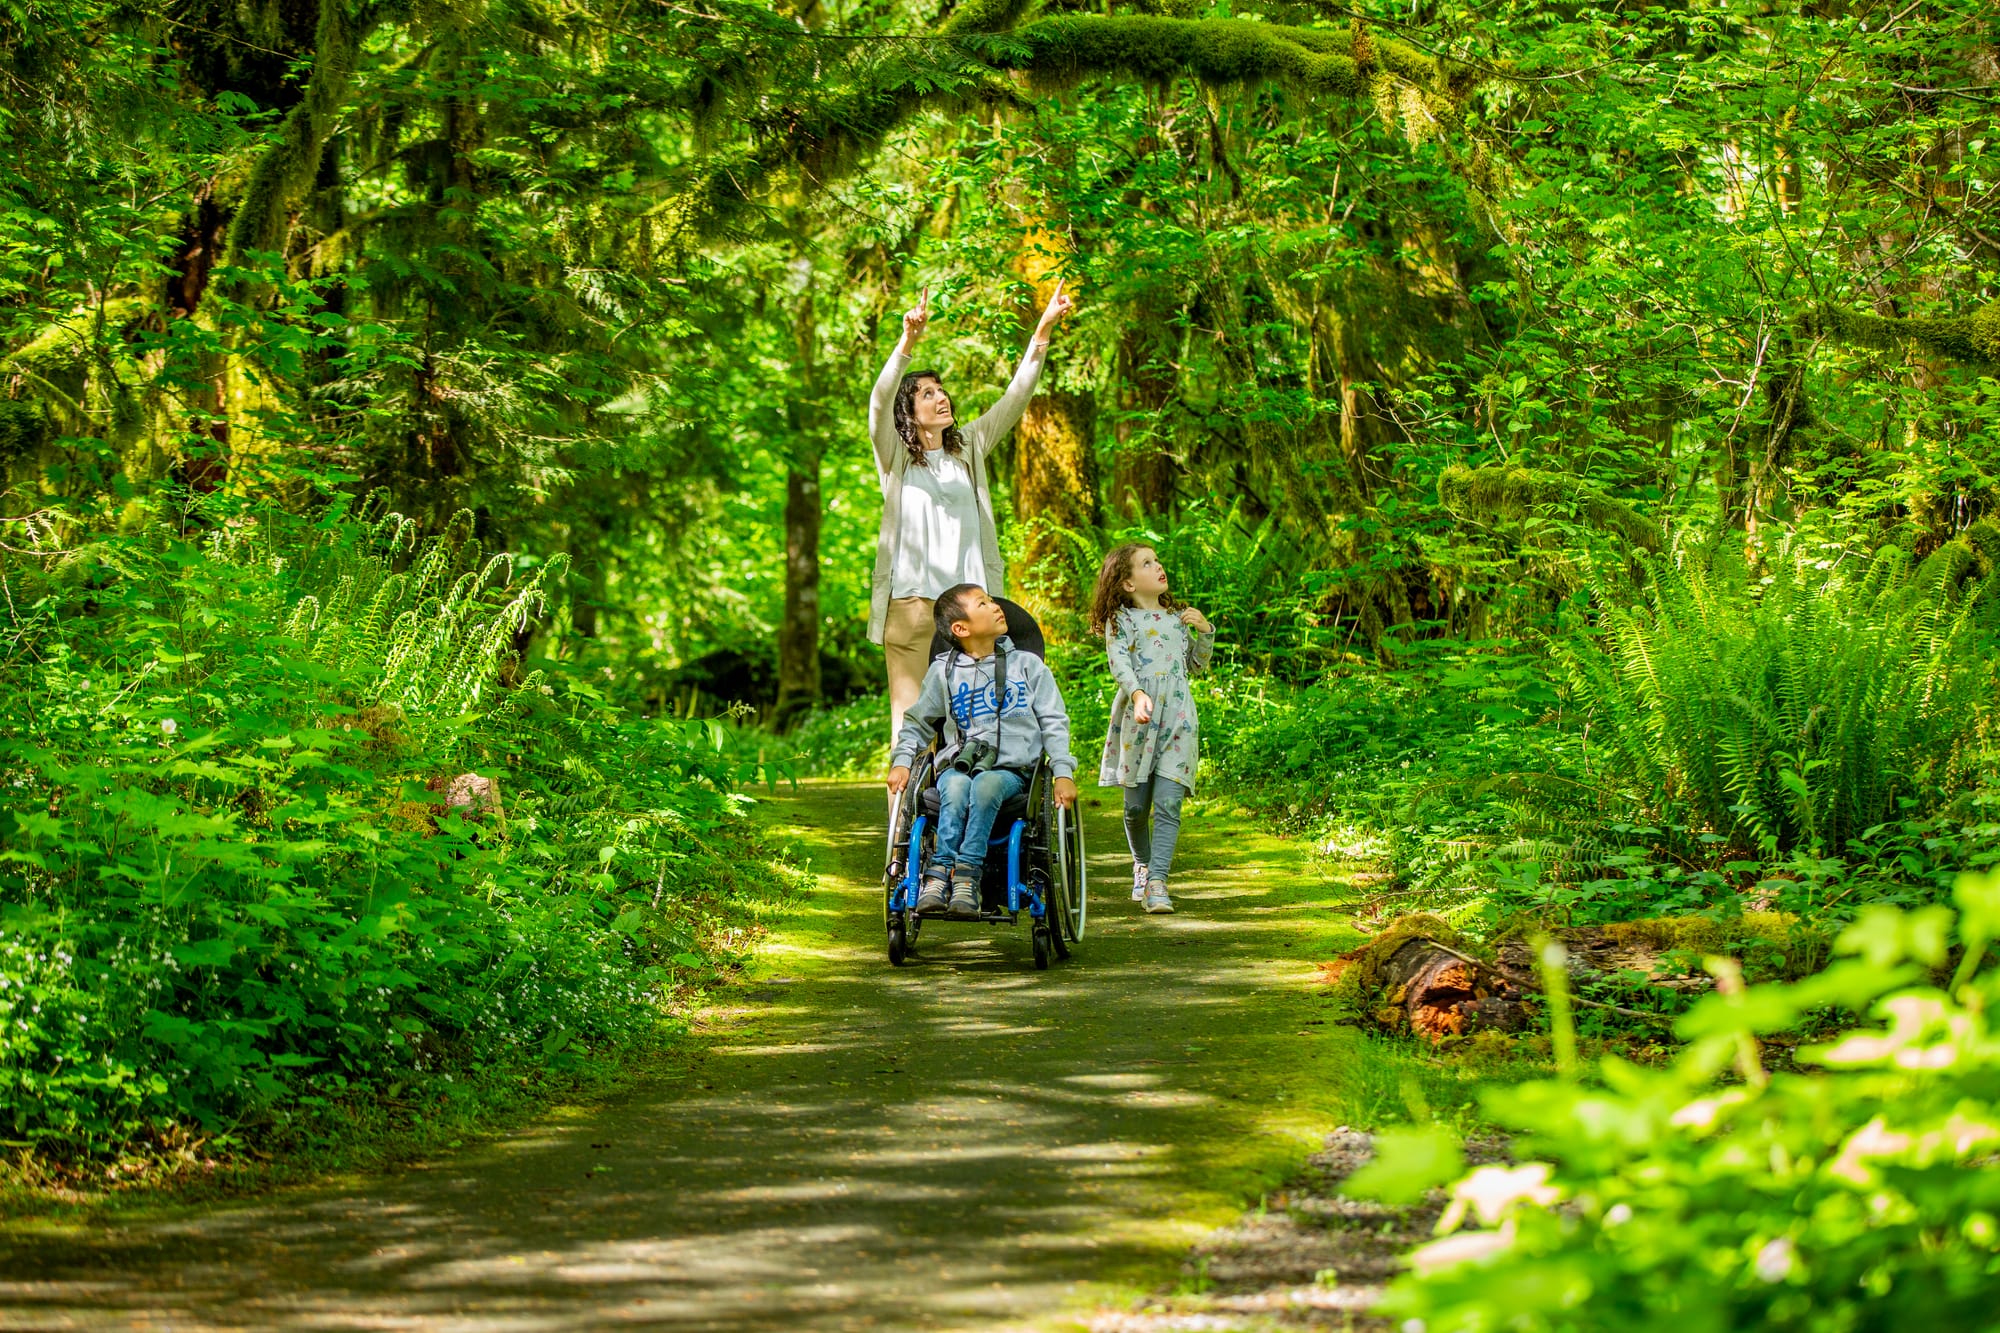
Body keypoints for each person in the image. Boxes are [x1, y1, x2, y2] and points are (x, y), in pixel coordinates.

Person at [866, 281, 1076, 746]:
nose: (940, 397)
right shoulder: (895, 456)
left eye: (941, 390)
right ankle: (904, 821)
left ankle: (960, 813)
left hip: (970, 610)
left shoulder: (970, 447)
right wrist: (907, 342)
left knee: (974, 725)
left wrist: (1040, 332)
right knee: (911, 733)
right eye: (926, 394)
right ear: (910, 411)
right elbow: (878, 404)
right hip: (913, 608)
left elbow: (1015, 398)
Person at [887, 583, 1078, 920]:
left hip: (1012, 770)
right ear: (961, 629)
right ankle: (938, 874)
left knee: (986, 785)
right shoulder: (943, 672)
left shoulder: (1028, 667)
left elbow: (1053, 721)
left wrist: (1062, 771)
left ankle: (967, 876)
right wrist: (902, 762)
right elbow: (918, 723)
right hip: (959, 767)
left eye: (991, 601)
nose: (996, 606)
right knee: (957, 786)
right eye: (983, 603)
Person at [1090, 544, 1215, 915]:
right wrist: (1138, 693)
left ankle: (1158, 880)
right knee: (1134, 809)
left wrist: (1205, 631)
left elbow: (1196, 666)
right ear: (1127, 583)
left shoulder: (1178, 618)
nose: (1158, 566)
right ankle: (1141, 864)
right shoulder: (1122, 621)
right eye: (1147, 563)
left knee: (1169, 802)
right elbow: (1120, 664)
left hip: (1179, 718)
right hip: (1138, 718)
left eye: (1157, 560)